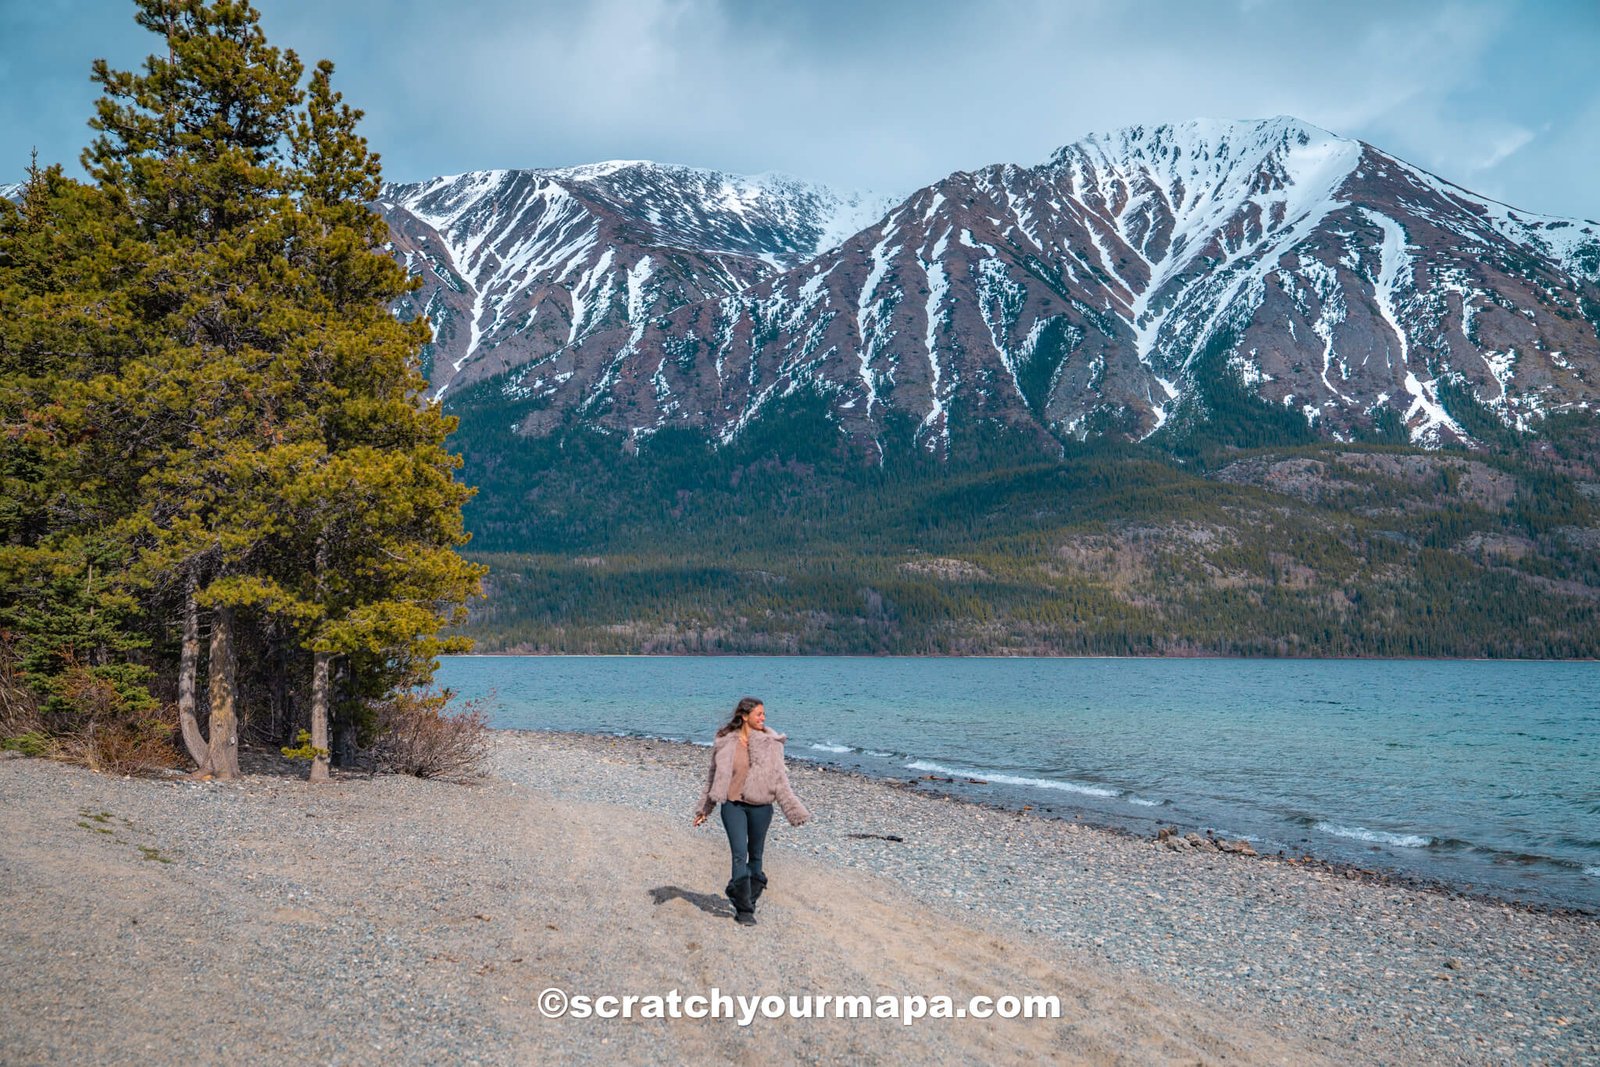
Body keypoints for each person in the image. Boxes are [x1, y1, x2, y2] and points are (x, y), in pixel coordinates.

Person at [692, 697, 810, 926]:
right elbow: (712, 777)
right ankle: (744, 909)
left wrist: (794, 810)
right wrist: (704, 809)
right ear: (745, 716)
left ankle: (741, 893)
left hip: (761, 808)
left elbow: (780, 779)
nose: (763, 718)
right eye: (759, 714)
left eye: (764, 714)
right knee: (739, 855)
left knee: (756, 858)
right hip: (733, 806)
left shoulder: (771, 743)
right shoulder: (725, 742)